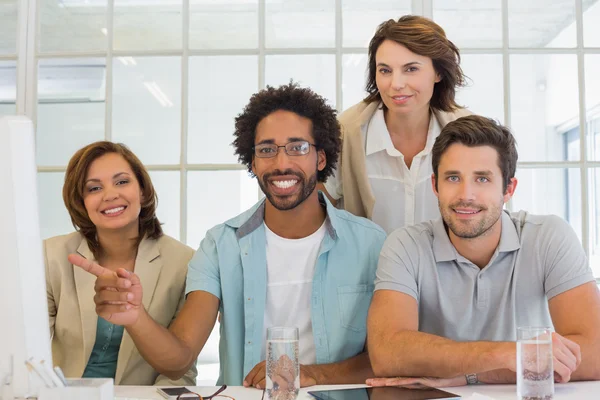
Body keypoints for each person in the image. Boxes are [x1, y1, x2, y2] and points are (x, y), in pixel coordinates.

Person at [68, 83, 387, 387]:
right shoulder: (221, 246)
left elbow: (388, 358)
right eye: (266, 150)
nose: (281, 163)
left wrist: (315, 375)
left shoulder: (370, 244)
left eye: (297, 147)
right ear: (252, 162)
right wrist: (135, 317)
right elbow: (179, 358)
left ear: (320, 158)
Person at [366, 115, 600, 387]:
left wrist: (470, 375)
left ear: (508, 189)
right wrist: (510, 355)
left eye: (482, 179)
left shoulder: (549, 237)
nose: (466, 194)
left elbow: (595, 352)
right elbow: (387, 353)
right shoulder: (405, 246)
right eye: (453, 177)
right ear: (435, 186)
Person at [45, 141, 197, 385]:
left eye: (122, 182)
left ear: (143, 191)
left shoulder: (184, 262)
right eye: (94, 188)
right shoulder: (52, 255)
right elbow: (26, 353)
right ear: (80, 201)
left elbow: (180, 373)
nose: (110, 195)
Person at [321, 15, 471, 234]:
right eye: (385, 70)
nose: (396, 84)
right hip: (367, 268)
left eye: (411, 69)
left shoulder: (469, 133)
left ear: (438, 72)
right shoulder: (344, 133)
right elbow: (317, 219)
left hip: (445, 267)